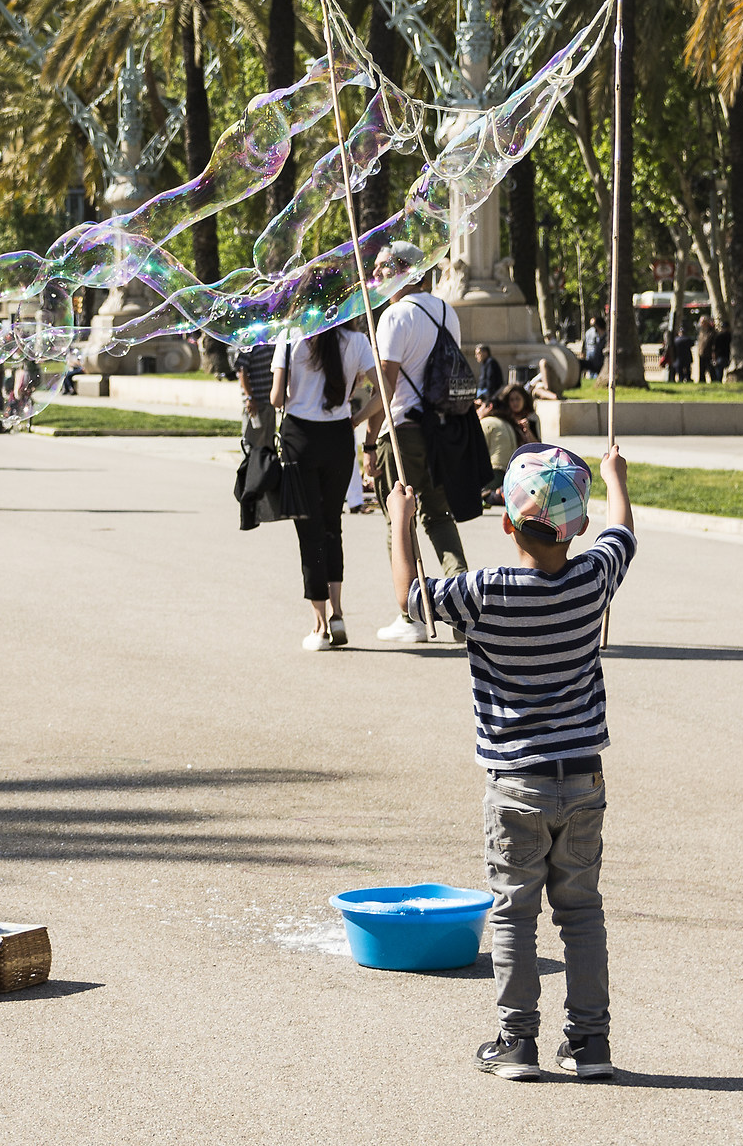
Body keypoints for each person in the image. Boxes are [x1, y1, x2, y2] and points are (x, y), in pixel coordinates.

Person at [390, 442, 633, 1084]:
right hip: (582, 778)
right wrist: (615, 477)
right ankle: (590, 1043)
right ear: (578, 526)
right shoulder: (593, 579)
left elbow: (410, 597)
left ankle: (517, 1041)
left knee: (514, 912)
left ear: (505, 521)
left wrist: (401, 520)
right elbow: (624, 535)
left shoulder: (483, 593)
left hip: (517, 782)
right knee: (581, 911)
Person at [367, 241, 469, 641]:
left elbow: (386, 387)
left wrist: (366, 435)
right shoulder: (446, 311)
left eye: (382, 267)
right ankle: (461, 607)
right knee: (438, 516)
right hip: (439, 429)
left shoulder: (394, 316)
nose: (375, 274)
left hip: (403, 431)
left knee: (399, 519)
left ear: (405, 271)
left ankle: (410, 615)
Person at [273, 321, 377, 651]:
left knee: (310, 530)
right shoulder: (357, 340)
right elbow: (386, 389)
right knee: (333, 525)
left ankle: (319, 625)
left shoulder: (290, 337)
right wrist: (357, 418)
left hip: (300, 437)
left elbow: (276, 398)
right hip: (338, 437)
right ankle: (338, 613)